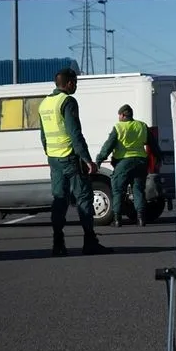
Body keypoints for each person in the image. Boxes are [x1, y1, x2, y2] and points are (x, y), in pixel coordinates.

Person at [38, 68, 113, 257]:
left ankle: (58, 242)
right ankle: (90, 241)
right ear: (69, 83)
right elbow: (75, 133)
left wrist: (50, 153)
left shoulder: (45, 104)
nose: (76, 86)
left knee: (59, 199)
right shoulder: (68, 101)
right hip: (70, 157)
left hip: (54, 158)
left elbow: (43, 136)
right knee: (84, 198)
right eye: (76, 82)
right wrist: (87, 159)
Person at [94, 104, 162, 228]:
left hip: (123, 163)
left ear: (123, 115)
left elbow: (108, 146)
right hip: (141, 162)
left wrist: (99, 160)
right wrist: (159, 157)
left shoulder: (119, 127)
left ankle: (117, 220)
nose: (118, 117)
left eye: (119, 115)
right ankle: (141, 219)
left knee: (118, 191)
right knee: (138, 190)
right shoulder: (142, 126)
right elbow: (152, 144)